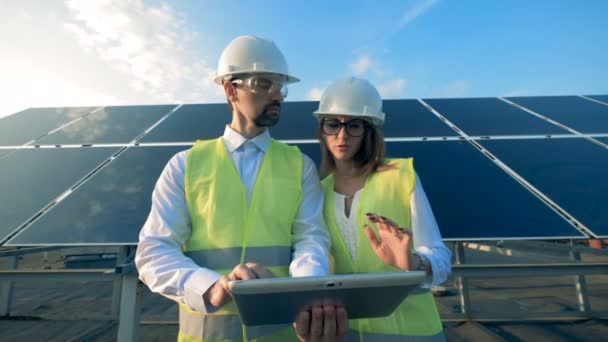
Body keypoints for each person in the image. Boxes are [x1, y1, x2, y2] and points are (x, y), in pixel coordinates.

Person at [135, 35, 345, 342]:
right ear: (231, 90)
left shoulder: (300, 166)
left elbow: (311, 240)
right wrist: (212, 286)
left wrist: (302, 300)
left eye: (280, 86)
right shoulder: (185, 165)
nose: (277, 95)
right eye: (263, 84)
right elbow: (153, 251)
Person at [312, 77, 452, 341]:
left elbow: (441, 258)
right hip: (347, 333)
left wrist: (414, 262)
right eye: (333, 124)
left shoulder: (401, 176)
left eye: (353, 125)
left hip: (413, 333)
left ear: (369, 130)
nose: (342, 135)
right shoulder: (316, 191)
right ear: (322, 130)